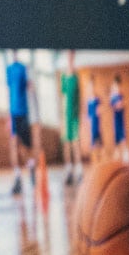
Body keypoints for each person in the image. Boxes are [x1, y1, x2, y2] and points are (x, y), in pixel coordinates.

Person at [3, 50, 34, 195]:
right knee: (14, 143)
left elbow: (29, 87)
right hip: (13, 112)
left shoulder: (23, 68)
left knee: (24, 147)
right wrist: (8, 114)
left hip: (24, 112)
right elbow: (8, 91)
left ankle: (31, 165)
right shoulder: (8, 69)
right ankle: (17, 177)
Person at [59, 50, 83, 184]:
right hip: (65, 115)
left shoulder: (76, 77)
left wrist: (81, 115)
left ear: (73, 57)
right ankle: (68, 170)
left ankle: (79, 170)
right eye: (68, 55)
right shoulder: (63, 77)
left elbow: (80, 98)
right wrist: (61, 118)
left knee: (76, 142)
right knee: (66, 144)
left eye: (71, 55)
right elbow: (62, 97)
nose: (69, 58)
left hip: (74, 116)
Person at [111, 73, 128, 164]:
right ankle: (116, 161)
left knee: (123, 141)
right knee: (117, 143)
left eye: (117, 85)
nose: (116, 87)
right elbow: (114, 106)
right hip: (116, 122)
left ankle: (125, 160)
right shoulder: (113, 97)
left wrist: (121, 104)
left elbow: (123, 106)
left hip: (121, 122)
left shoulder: (121, 95)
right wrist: (118, 105)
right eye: (114, 85)